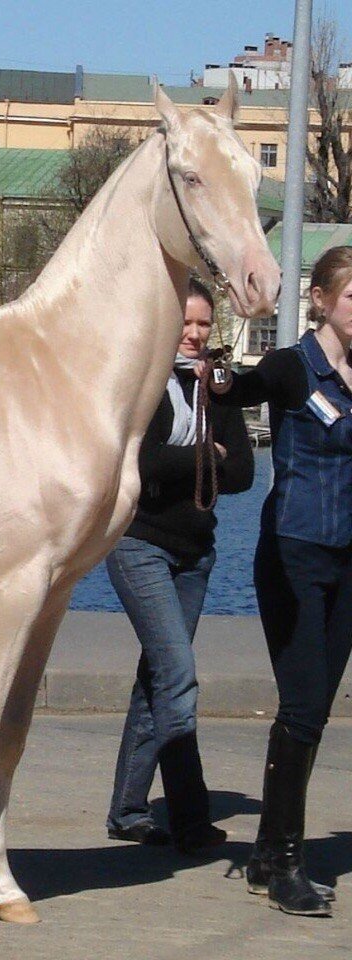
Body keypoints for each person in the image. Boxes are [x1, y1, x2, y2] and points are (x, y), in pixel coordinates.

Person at [204, 245, 352, 917]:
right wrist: (224, 378)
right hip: (294, 554)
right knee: (301, 703)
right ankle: (286, 862)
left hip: (348, 562)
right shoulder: (295, 368)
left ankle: (268, 853)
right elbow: (247, 388)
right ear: (321, 299)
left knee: (315, 710)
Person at [105, 277, 254, 853]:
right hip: (140, 543)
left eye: (202, 326)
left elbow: (240, 473)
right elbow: (139, 461)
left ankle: (128, 811)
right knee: (177, 674)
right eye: (184, 324)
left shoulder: (218, 389)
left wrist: (200, 454)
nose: (193, 335)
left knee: (158, 678)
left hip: (196, 554)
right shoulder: (143, 383)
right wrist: (202, 455)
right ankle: (191, 818)